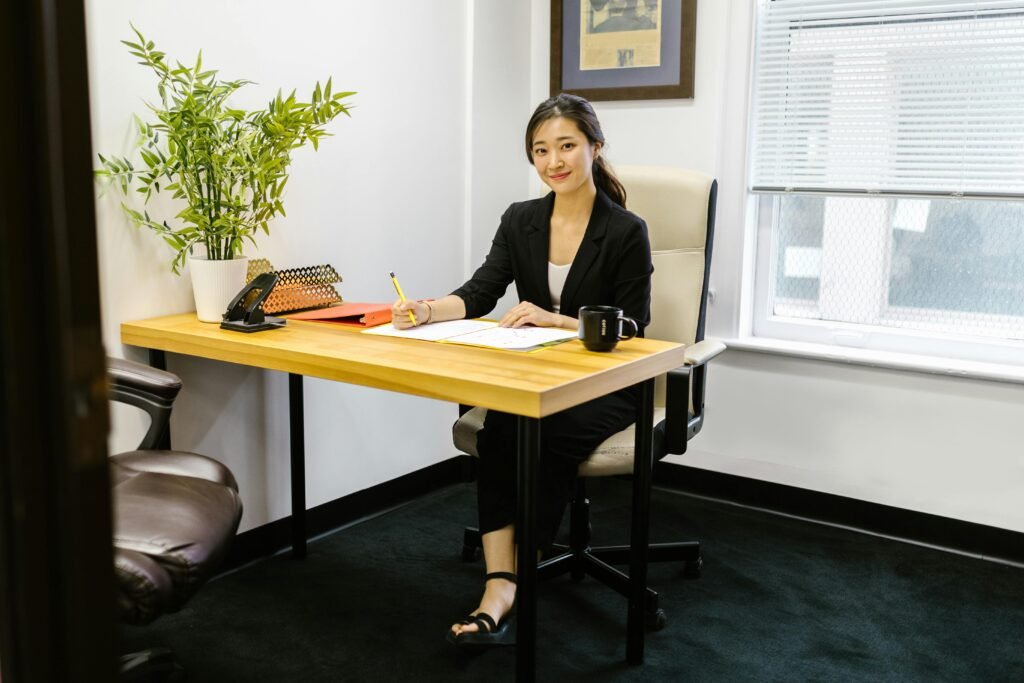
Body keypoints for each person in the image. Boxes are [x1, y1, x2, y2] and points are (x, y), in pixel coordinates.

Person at [391, 93, 653, 650]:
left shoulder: (626, 230)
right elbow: (481, 290)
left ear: (595, 147)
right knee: (502, 429)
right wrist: (427, 310)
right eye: (541, 150)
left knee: (547, 433)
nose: (554, 161)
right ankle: (499, 583)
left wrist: (555, 320)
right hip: (537, 375)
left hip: (608, 382)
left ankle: (517, 575)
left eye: (566, 146)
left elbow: (635, 326)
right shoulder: (521, 219)